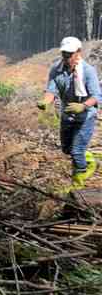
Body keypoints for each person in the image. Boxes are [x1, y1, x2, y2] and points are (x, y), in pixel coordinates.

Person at [37, 37, 100, 190]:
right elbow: (52, 90)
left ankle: (77, 186)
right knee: (67, 149)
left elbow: (97, 96)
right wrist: (46, 101)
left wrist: (83, 106)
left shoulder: (88, 71)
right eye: (64, 53)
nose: (67, 57)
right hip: (67, 116)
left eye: (70, 54)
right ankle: (91, 160)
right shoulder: (56, 70)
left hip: (85, 117)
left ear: (78, 53)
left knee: (76, 151)